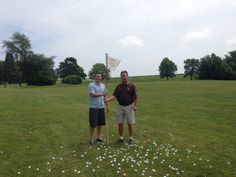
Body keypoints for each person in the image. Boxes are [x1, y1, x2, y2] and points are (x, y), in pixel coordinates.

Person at [106, 70, 138, 144]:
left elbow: (136, 97)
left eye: (125, 76)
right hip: (120, 106)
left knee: (130, 123)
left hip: (129, 106)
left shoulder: (132, 86)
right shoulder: (119, 86)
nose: (124, 77)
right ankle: (121, 138)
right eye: (122, 76)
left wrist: (135, 106)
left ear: (127, 76)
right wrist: (108, 99)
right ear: (121, 77)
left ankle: (131, 138)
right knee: (120, 123)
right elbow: (114, 96)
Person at [88, 73, 107, 145]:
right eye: (97, 76)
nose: (98, 78)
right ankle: (91, 139)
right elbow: (92, 94)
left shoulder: (103, 85)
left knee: (100, 124)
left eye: (99, 76)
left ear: (101, 78)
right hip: (93, 107)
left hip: (101, 107)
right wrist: (102, 94)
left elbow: (105, 96)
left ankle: (98, 137)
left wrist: (107, 105)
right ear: (95, 77)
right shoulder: (91, 85)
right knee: (93, 124)